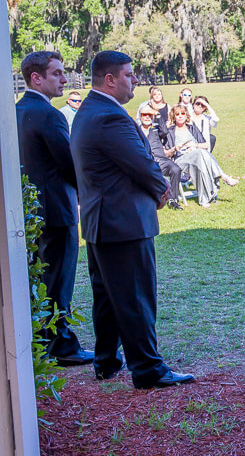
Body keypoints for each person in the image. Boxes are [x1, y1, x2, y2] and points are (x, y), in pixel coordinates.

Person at [70, 50, 193, 388]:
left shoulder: (89, 111)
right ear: (109, 79)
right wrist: (161, 190)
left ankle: (106, 361)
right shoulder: (109, 116)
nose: (135, 80)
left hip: (102, 221)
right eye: (129, 74)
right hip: (122, 222)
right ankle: (148, 369)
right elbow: (141, 163)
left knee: (109, 297)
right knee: (136, 296)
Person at [16, 51, 93, 366]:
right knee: (58, 280)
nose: (65, 79)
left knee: (38, 280)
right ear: (37, 78)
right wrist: (90, 192)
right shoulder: (49, 115)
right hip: (56, 210)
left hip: (31, 211)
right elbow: (68, 162)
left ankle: (40, 339)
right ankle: (61, 345)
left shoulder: (16, 111)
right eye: (58, 73)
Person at [168, 104, 238, 207]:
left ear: (186, 115)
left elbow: (205, 145)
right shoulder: (170, 131)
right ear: (173, 116)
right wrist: (175, 148)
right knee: (200, 153)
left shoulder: (191, 128)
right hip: (179, 160)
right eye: (177, 114)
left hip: (196, 157)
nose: (180, 116)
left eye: (183, 113)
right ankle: (223, 176)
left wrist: (194, 146)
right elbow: (166, 153)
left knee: (201, 155)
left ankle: (204, 199)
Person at [138, 105, 183, 211]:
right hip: (147, 162)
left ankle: (173, 200)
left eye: (150, 115)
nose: (147, 117)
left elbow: (165, 131)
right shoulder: (136, 130)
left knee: (175, 169)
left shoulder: (156, 129)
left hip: (162, 160)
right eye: (145, 115)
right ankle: (152, 200)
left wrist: (157, 115)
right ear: (140, 116)